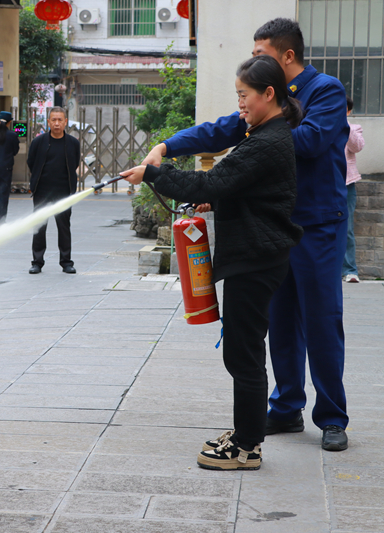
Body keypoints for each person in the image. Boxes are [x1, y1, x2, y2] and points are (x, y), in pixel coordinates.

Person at [141, 18, 351, 451]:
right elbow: (219, 130)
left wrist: (264, 127)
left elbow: (309, 141)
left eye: (261, 56)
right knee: (278, 319)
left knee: (321, 319)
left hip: (316, 223)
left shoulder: (324, 91)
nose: (253, 63)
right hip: (271, 227)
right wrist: (167, 146)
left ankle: (331, 416)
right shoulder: (264, 106)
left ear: (286, 57)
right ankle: (286, 407)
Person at [122, 55, 303, 470]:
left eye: (244, 96)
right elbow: (235, 188)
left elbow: (211, 181)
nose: (239, 105)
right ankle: (246, 432)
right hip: (257, 255)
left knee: (244, 352)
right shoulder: (265, 133)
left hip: (255, 260)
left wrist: (154, 173)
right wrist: (218, 194)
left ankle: (246, 447)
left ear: (268, 94)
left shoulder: (267, 141)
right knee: (243, 349)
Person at [26, 107, 81, 275]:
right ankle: (37, 262)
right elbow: (31, 162)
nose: (57, 123)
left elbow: (75, 164)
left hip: (63, 191)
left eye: (60, 120)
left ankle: (66, 262)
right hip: (42, 191)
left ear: (65, 122)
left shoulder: (72, 143)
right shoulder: (38, 142)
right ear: (48, 122)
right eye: (53, 120)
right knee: (39, 227)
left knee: (64, 227)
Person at [342, 96, 364, 283]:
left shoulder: (353, 128)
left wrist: (344, 125)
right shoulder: (323, 126)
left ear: (348, 111)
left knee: (347, 228)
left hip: (347, 184)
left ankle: (350, 270)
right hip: (326, 184)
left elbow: (357, 147)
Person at [0, 111, 20, 225]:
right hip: (6, 168)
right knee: (3, 193)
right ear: (10, 122)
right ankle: (0, 218)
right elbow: (15, 151)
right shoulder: (13, 135)